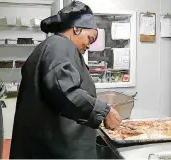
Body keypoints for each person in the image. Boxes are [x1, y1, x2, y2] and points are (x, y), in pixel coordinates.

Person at [9, 1, 122, 159]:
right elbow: (63, 91)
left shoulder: (54, 47)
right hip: (55, 150)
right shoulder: (59, 46)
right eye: (90, 39)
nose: (89, 45)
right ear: (76, 29)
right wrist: (104, 111)